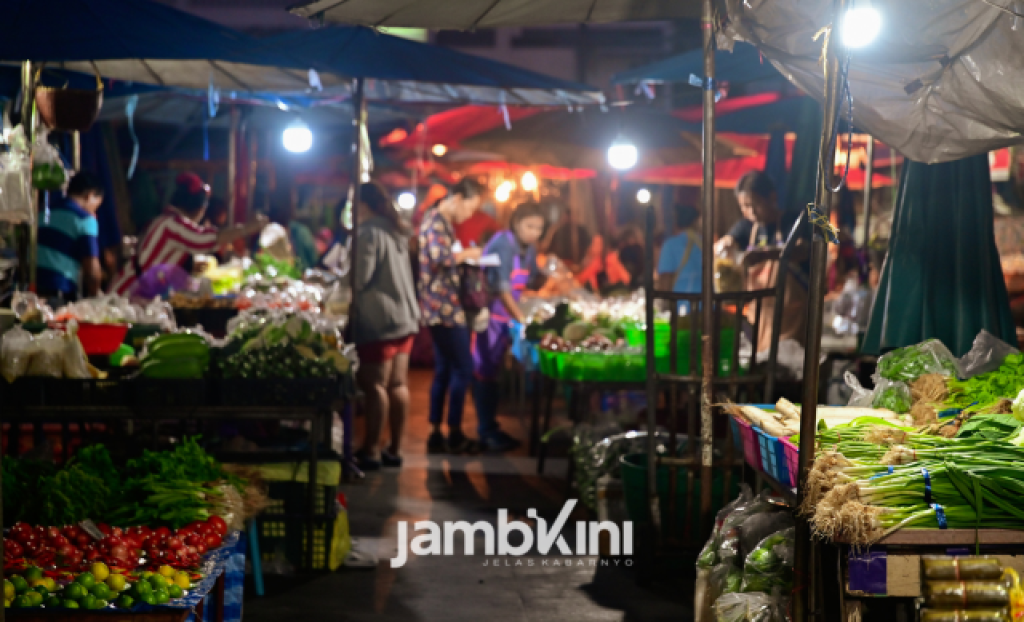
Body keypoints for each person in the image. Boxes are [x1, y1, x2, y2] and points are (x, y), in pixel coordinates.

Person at [352, 182, 421, 470]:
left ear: (363, 205)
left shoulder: (369, 233)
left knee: (374, 385)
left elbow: (360, 278)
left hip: (379, 318)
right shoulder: (397, 230)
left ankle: (371, 450)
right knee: (398, 384)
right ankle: (395, 448)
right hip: (405, 316)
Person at [111, 172, 267, 296]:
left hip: (133, 294)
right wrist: (248, 228)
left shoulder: (166, 221)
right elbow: (206, 240)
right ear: (200, 209)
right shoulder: (172, 224)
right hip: (125, 294)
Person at [474, 201, 548, 452]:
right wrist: (522, 320)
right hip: (492, 317)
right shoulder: (503, 244)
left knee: (496, 374)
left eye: (539, 228)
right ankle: (486, 431)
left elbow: (533, 279)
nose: (534, 233)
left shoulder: (528, 248)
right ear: (516, 224)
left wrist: (549, 274)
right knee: (485, 372)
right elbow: (502, 290)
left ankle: (492, 428)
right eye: (529, 226)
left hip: (508, 317)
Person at [418, 179, 483, 454]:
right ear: (456, 198)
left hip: (438, 308)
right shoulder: (436, 221)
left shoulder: (437, 221)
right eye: (469, 208)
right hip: (444, 308)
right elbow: (439, 258)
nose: (468, 215)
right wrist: (469, 254)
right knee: (463, 369)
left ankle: (436, 432)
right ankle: (454, 432)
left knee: (444, 370)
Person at [730, 171, 810, 353]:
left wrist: (765, 255)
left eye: (755, 204)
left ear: (771, 197)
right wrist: (726, 244)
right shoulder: (747, 227)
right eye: (744, 207)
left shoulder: (793, 221)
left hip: (790, 319)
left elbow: (802, 251)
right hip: (759, 320)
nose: (750, 212)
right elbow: (730, 239)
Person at [36, 172, 104, 301]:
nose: (94, 211)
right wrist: (96, 299)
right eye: (96, 206)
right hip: (58, 295)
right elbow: (92, 273)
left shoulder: (44, 213)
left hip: (31, 293)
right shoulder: (85, 219)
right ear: (89, 196)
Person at [657, 204, 703, 307]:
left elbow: (665, 279)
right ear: (695, 221)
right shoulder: (707, 244)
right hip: (708, 305)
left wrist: (662, 307)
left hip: (683, 305)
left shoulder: (670, 245)